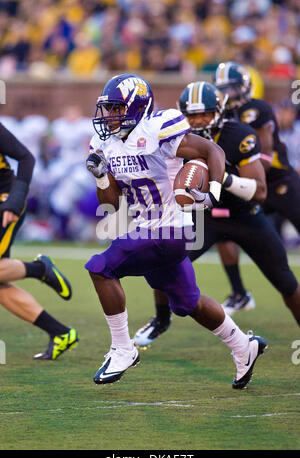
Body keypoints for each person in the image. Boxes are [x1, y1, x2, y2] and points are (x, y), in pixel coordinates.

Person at [85, 73, 267, 390]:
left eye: (115, 108)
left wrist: (211, 193)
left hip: (171, 228)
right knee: (188, 303)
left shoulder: (158, 127)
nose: (109, 116)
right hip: (147, 227)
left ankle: (123, 350)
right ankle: (243, 346)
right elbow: (112, 205)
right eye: (107, 108)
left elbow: (213, 152)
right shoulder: (107, 142)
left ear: (135, 107)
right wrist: (101, 177)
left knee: (100, 268)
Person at [133, 80, 300, 349]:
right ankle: (161, 320)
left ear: (219, 112)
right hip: (204, 218)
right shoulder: (174, 139)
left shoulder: (239, 135)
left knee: (285, 280)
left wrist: (219, 176)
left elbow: (258, 191)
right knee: (162, 263)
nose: (198, 121)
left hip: (244, 215)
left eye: (205, 114)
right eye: (192, 115)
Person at [212, 61, 300, 315]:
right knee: (221, 223)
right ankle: (239, 292)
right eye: (222, 88)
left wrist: (233, 175)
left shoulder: (254, 109)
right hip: (247, 188)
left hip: (278, 183)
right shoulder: (222, 116)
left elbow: (265, 154)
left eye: (231, 87)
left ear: (244, 87)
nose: (226, 94)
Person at [0, 122, 78, 360]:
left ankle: (39, 269)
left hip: (5, 201)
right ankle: (60, 333)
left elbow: (26, 158)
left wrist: (15, 199)